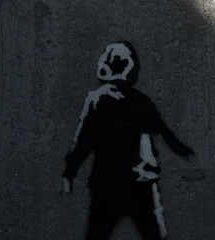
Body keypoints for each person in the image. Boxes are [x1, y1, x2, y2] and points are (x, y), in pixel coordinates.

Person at [62, 42, 195, 240]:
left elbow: (83, 140)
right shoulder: (140, 101)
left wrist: (70, 172)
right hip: (139, 183)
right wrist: (181, 149)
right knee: (153, 235)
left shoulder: (97, 100)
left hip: (107, 183)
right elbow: (164, 132)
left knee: (97, 234)